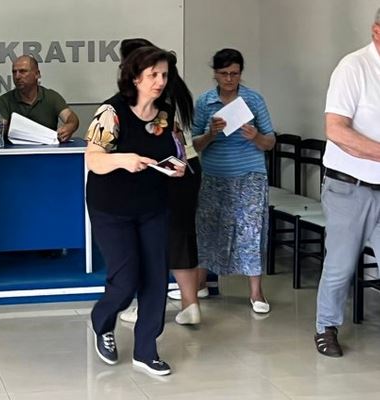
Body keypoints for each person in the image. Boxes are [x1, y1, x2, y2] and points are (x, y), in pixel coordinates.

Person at [86, 46, 186, 376]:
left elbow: (177, 151)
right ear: (134, 77)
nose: (160, 81)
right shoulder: (111, 112)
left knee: (156, 279)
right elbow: (93, 160)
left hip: (153, 205)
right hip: (111, 207)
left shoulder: (165, 114)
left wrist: (178, 167)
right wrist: (122, 160)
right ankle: (102, 321)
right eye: (153, 74)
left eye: (164, 75)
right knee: (126, 279)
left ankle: (146, 349)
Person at [116, 39, 203, 326]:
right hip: (188, 167)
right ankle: (190, 304)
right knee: (181, 237)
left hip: (164, 169)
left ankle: (146, 306)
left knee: (150, 238)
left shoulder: (152, 96)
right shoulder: (175, 87)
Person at [314, 9, 380, 358]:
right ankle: (326, 326)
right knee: (341, 266)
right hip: (348, 188)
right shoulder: (353, 68)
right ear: (376, 31)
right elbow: (336, 130)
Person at [192, 49, 275, 314]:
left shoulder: (253, 99)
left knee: (251, 230)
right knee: (207, 228)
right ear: (215, 74)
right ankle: (201, 283)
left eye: (235, 74)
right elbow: (194, 144)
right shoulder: (205, 102)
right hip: (214, 174)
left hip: (250, 174)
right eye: (224, 73)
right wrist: (210, 134)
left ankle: (256, 292)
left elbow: (270, 141)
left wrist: (255, 137)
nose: (229, 79)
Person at [0, 55, 79, 142]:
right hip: (15, 149)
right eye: (14, 72)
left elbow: (71, 117)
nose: (17, 76)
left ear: (37, 74)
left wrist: (70, 126)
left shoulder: (51, 97)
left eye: (23, 71)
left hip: (47, 148)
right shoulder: (4, 100)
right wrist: (2, 127)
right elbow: (0, 128)